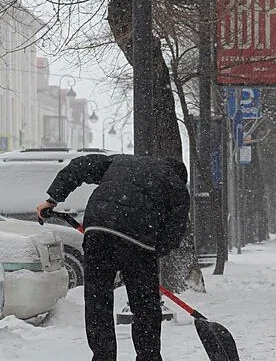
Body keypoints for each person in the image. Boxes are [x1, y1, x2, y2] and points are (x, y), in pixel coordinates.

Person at [35, 154, 190, 361]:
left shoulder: (120, 161)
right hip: (139, 240)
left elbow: (79, 166)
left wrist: (52, 198)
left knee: (98, 302)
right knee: (145, 306)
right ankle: (149, 357)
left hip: (98, 230)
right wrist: (155, 251)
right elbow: (175, 229)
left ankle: (103, 357)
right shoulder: (176, 185)